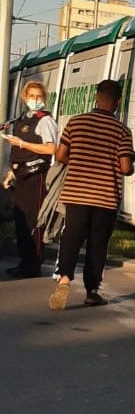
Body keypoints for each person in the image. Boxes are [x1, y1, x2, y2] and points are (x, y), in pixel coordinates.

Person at [48, 80, 135, 310]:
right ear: (117, 102)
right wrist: (128, 165)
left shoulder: (75, 123)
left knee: (72, 237)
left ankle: (64, 278)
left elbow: (60, 155)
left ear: (96, 97)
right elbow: (125, 167)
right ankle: (92, 292)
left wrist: (77, 160)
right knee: (97, 244)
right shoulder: (122, 131)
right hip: (105, 197)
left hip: (76, 193)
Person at [2, 81, 59, 278]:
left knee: (33, 221)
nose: (35, 100)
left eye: (39, 96)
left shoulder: (45, 121)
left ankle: (33, 264)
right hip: (21, 177)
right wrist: (12, 173)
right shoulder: (21, 120)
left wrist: (22, 143)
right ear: (25, 98)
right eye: (32, 96)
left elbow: (51, 149)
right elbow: (18, 153)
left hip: (36, 177)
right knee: (20, 222)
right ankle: (24, 261)